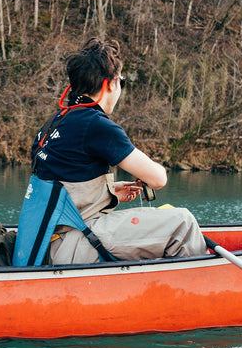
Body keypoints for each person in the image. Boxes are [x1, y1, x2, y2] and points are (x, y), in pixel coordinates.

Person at [14, 37, 206, 265]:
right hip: (69, 243)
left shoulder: (54, 123)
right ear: (110, 83)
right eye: (121, 82)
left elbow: (59, 185)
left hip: (44, 242)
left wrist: (109, 192)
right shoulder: (96, 125)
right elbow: (157, 179)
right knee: (182, 224)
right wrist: (158, 168)